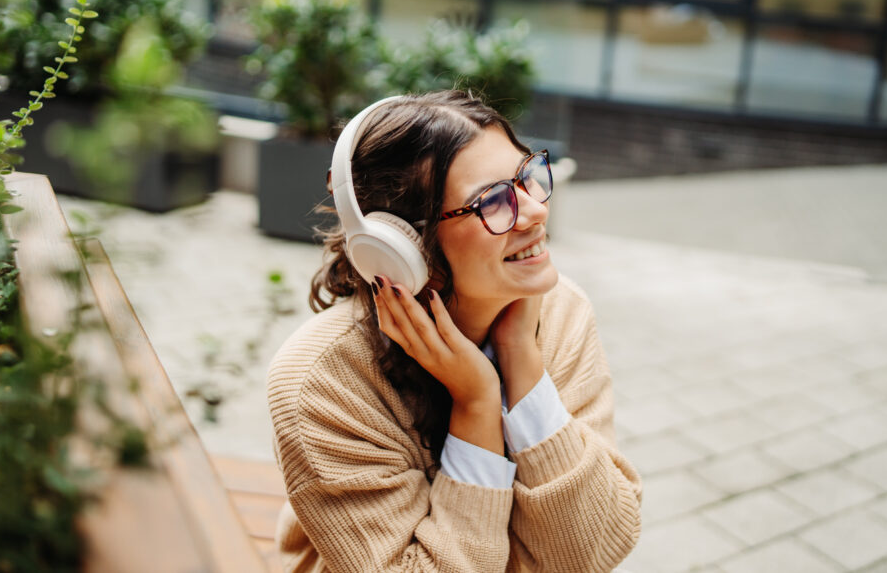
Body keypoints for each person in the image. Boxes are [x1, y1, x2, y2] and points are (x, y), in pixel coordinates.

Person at [267, 90, 641, 572]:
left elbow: (597, 547)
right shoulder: (320, 384)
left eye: (528, 176)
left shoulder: (562, 312)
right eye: (494, 201)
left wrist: (521, 359)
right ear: (400, 249)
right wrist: (477, 403)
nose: (535, 211)